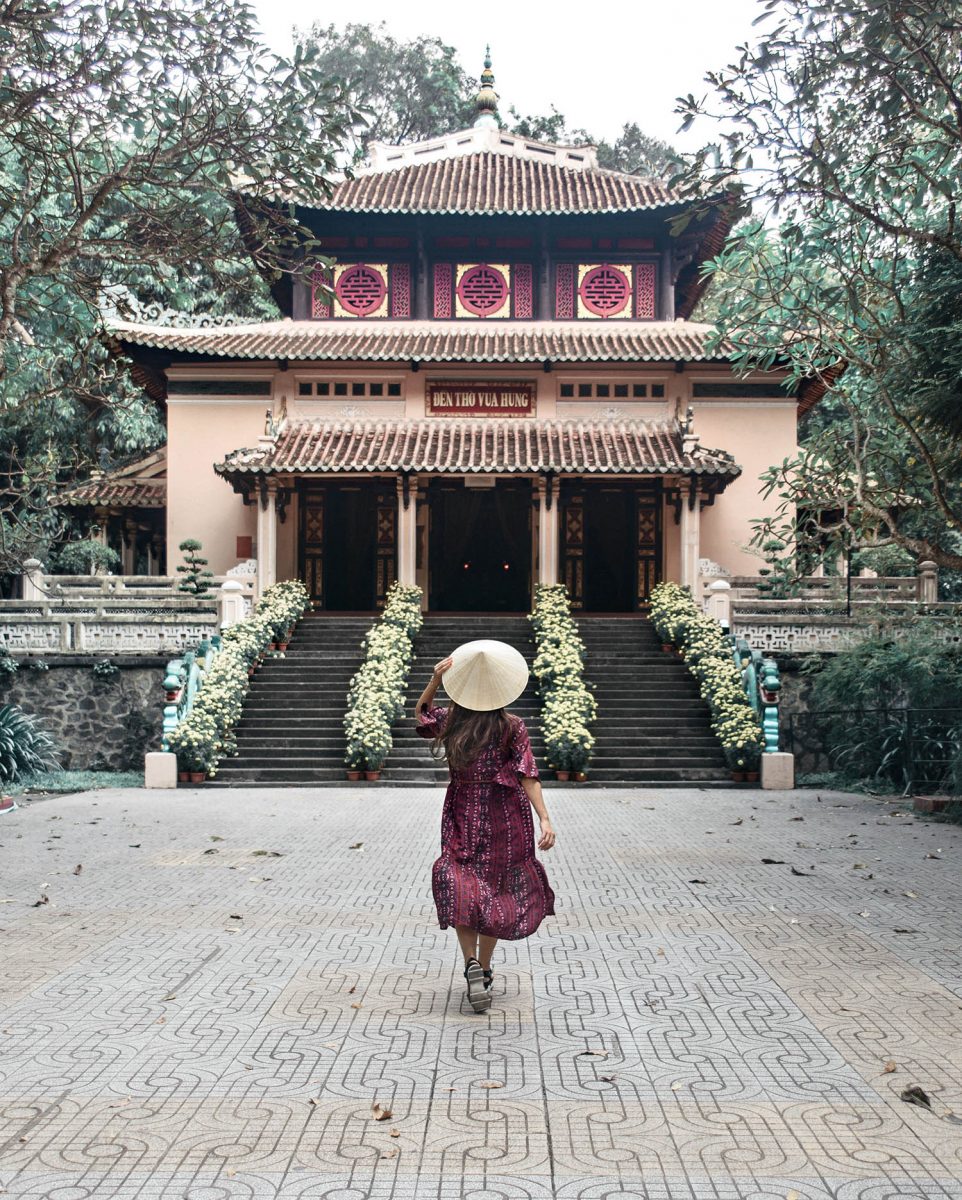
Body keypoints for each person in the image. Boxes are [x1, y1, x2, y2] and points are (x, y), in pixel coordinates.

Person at [414, 639, 556, 1014]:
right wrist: (544, 817)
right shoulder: (512, 725)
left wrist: (433, 680)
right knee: (498, 889)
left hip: (462, 809)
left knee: (459, 881)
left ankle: (470, 963)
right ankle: (486, 968)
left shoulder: (453, 721)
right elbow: (528, 774)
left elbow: (423, 715)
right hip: (505, 816)